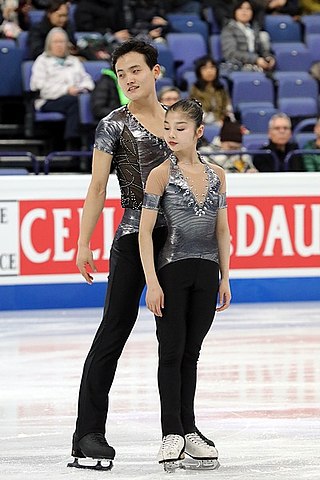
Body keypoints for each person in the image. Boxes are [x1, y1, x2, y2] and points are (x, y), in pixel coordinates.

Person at [68, 39, 172, 471]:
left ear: (155, 72)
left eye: (135, 70)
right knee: (114, 329)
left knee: (179, 338)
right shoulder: (113, 124)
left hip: (178, 239)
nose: (128, 79)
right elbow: (97, 187)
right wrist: (83, 241)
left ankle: (180, 431)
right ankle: (88, 433)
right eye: (121, 72)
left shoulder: (175, 122)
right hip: (132, 238)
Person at [139, 99, 231, 471]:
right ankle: (170, 433)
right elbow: (145, 232)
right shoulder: (159, 174)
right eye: (167, 128)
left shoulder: (217, 174)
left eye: (179, 128)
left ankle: (189, 429)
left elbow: (221, 230)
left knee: (191, 354)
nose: (171, 134)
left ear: (197, 132)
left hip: (207, 273)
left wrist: (226, 276)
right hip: (172, 272)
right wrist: (152, 282)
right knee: (171, 352)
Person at [30, 27, 94, 150]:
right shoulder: (42, 61)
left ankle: (80, 142)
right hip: (48, 100)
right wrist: (66, 90)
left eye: (62, 42)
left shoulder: (74, 61)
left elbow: (88, 81)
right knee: (75, 103)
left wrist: (82, 88)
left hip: (74, 98)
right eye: (56, 42)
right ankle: (73, 143)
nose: (60, 45)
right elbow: (40, 87)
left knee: (82, 102)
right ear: (49, 44)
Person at [220, 0, 275, 73]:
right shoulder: (228, 29)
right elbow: (231, 53)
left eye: (248, 9)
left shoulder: (255, 29)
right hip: (237, 66)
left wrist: (268, 57)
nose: (244, 12)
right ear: (235, 11)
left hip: (256, 65)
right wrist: (255, 59)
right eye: (241, 8)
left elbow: (262, 50)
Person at [189, 55, 234, 126]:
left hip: (223, 124)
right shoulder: (195, 90)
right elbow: (198, 114)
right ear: (199, 72)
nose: (209, 71)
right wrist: (217, 122)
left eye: (212, 67)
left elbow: (228, 108)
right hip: (205, 125)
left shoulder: (221, 88)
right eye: (205, 68)